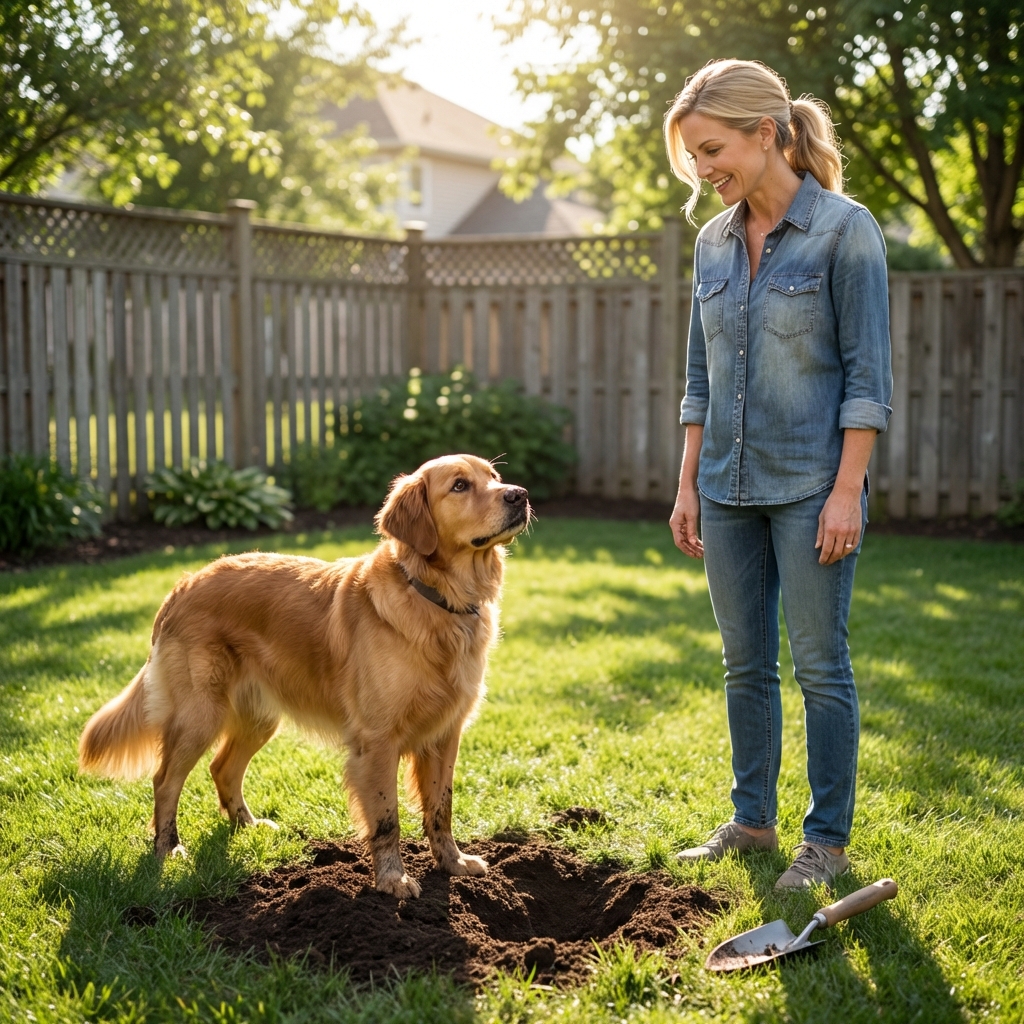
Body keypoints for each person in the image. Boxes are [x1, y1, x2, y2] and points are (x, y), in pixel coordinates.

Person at [664, 59, 892, 889]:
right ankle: (752, 823)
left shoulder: (843, 229)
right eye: (693, 155)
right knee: (742, 663)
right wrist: (688, 483)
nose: (703, 168)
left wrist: (845, 491)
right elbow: (701, 376)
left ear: (769, 134)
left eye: (713, 148)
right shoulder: (712, 243)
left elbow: (868, 379)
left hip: (810, 489)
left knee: (820, 665)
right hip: (723, 488)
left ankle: (825, 841)